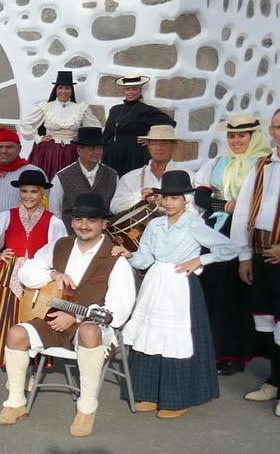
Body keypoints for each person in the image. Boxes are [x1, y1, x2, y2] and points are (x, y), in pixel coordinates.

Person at [0, 193, 136, 438]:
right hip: (54, 319)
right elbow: (27, 271)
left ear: (104, 224)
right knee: (16, 333)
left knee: (90, 331)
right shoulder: (60, 246)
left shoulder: (115, 259)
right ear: (71, 222)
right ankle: (16, 402)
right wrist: (51, 275)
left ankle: (86, 409)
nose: (84, 225)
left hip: (92, 327)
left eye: (92, 220)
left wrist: (77, 317)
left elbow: (119, 310)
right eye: (79, 219)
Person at [115, 171, 238, 418]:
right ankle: (148, 394)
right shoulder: (154, 224)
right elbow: (145, 259)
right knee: (149, 338)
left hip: (179, 286)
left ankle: (176, 398)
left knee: (176, 341)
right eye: (165, 198)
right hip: (154, 285)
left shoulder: (193, 223)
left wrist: (200, 259)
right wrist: (128, 254)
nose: (169, 203)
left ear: (185, 200)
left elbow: (229, 248)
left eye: (175, 198)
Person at [194, 114, 273, 376]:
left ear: (254, 136)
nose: (236, 140)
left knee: (238, 293)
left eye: (242, 136)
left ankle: (235, 354)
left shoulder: (264, 164)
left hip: (245, 233)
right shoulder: (219, 161)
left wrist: (238, 210)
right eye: (232, 136)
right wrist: (225, 205)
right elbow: (202, 196)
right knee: (213, 291)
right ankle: (211, 350)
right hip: (216, 229)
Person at [0, 169, 67, 367]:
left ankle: (31, 366)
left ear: (42, 194)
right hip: (9, 273)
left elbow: (60, 251)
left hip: (39, 276)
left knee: (33, 316)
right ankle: (10, 363)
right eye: (24, 191)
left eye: (33, 191)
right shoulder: (6, 216)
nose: (28, 196)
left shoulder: (53, 221)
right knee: (7, 315)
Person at [230, 108, 280, 416]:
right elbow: (244, 210)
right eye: (276, 126)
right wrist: (245, 255)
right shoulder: (263, 166)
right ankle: (275, 380)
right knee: (270, 320)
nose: (279, 132)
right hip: (263, 253)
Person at [19, 71, 102, 180]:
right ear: (56, 90)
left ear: (71, 90)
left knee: (71, 182)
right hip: (48, 152)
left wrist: (82, 138)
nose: (64, 91)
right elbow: (26, 125)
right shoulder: (46, 107)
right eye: (60, 88)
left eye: (67, 88)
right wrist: (38, 138)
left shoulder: (81, 108)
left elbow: (96, 129)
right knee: (46, 181)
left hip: (72, 152)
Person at [101, 76, 176, 176]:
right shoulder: (115, 109)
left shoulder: (145, 110)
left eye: (134, 89)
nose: (130, 92)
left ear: (140, 91)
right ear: (124, 91)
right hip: (112, 155)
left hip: (133, 155)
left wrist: (150, 140)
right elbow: (107, 133)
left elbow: (170, 123)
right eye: (128, 89)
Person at [110, 125, 189, 215]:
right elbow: (115, 207)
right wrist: (141, 197)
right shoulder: (129, 178)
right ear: (148, 147)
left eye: (164, 143)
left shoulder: (188, 176)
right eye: (153, 144)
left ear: (174, 146)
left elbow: (196, 209)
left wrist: (168, 200)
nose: (158, 148)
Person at [48, 127, 119, 227]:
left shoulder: (112, 175)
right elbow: (55, 212)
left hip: (103, 236)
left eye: (100, 148)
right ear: (79, 150)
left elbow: (115, 208)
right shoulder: (62, 176)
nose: (97, 152)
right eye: (92, 148)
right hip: (71, 237)